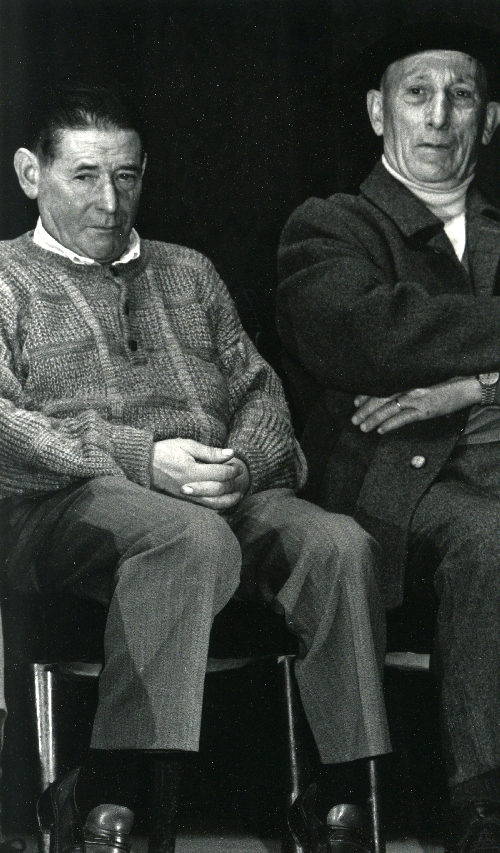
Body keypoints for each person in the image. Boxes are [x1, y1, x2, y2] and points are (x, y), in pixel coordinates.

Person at [0, 82, 389, 853]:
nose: (110, 201)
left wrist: (244, 463)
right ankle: (113, 793)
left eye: (126, 176)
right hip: (65, 506)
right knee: (186, 536)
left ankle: (340, 800)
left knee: (339, 544)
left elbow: (259, 391)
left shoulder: (189, 272)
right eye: (84, 175)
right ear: (29, 173)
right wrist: (142, 460)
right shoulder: (6, 278)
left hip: (215, 493)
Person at [277, 19, 500, 853]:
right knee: (492, 539)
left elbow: (418, 339)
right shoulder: (331, 225)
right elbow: (369, 336)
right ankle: (483, 807)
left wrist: (475, 383)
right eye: (417, 94)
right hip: (397, 484)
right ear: (379, 112)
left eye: (461, 95)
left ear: (491, 119)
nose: (439, 116)